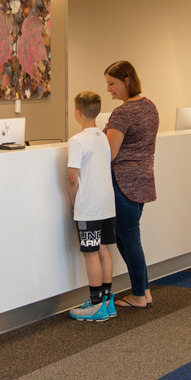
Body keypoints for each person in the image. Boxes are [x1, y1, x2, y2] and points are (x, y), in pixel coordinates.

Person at [103, 60, 157, 309]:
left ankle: (139, 295)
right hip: (143, 181)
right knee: (126, 238)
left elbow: (109, 153)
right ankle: (143, 291)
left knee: (129, 239)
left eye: (112, 84)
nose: (109, 90)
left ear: (126, 81)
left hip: (123, 183)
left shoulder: (122, 113)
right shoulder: (150, 107)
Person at [66, 91, 117, 322]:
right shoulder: (103, 137)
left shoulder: (77, 140)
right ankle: (107, 301)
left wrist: (73, 204)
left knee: (90, 253)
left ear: (78, 113)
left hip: (88, 205)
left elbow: (72, 179)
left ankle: (96, 305)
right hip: (107, 203)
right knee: (103, 249)